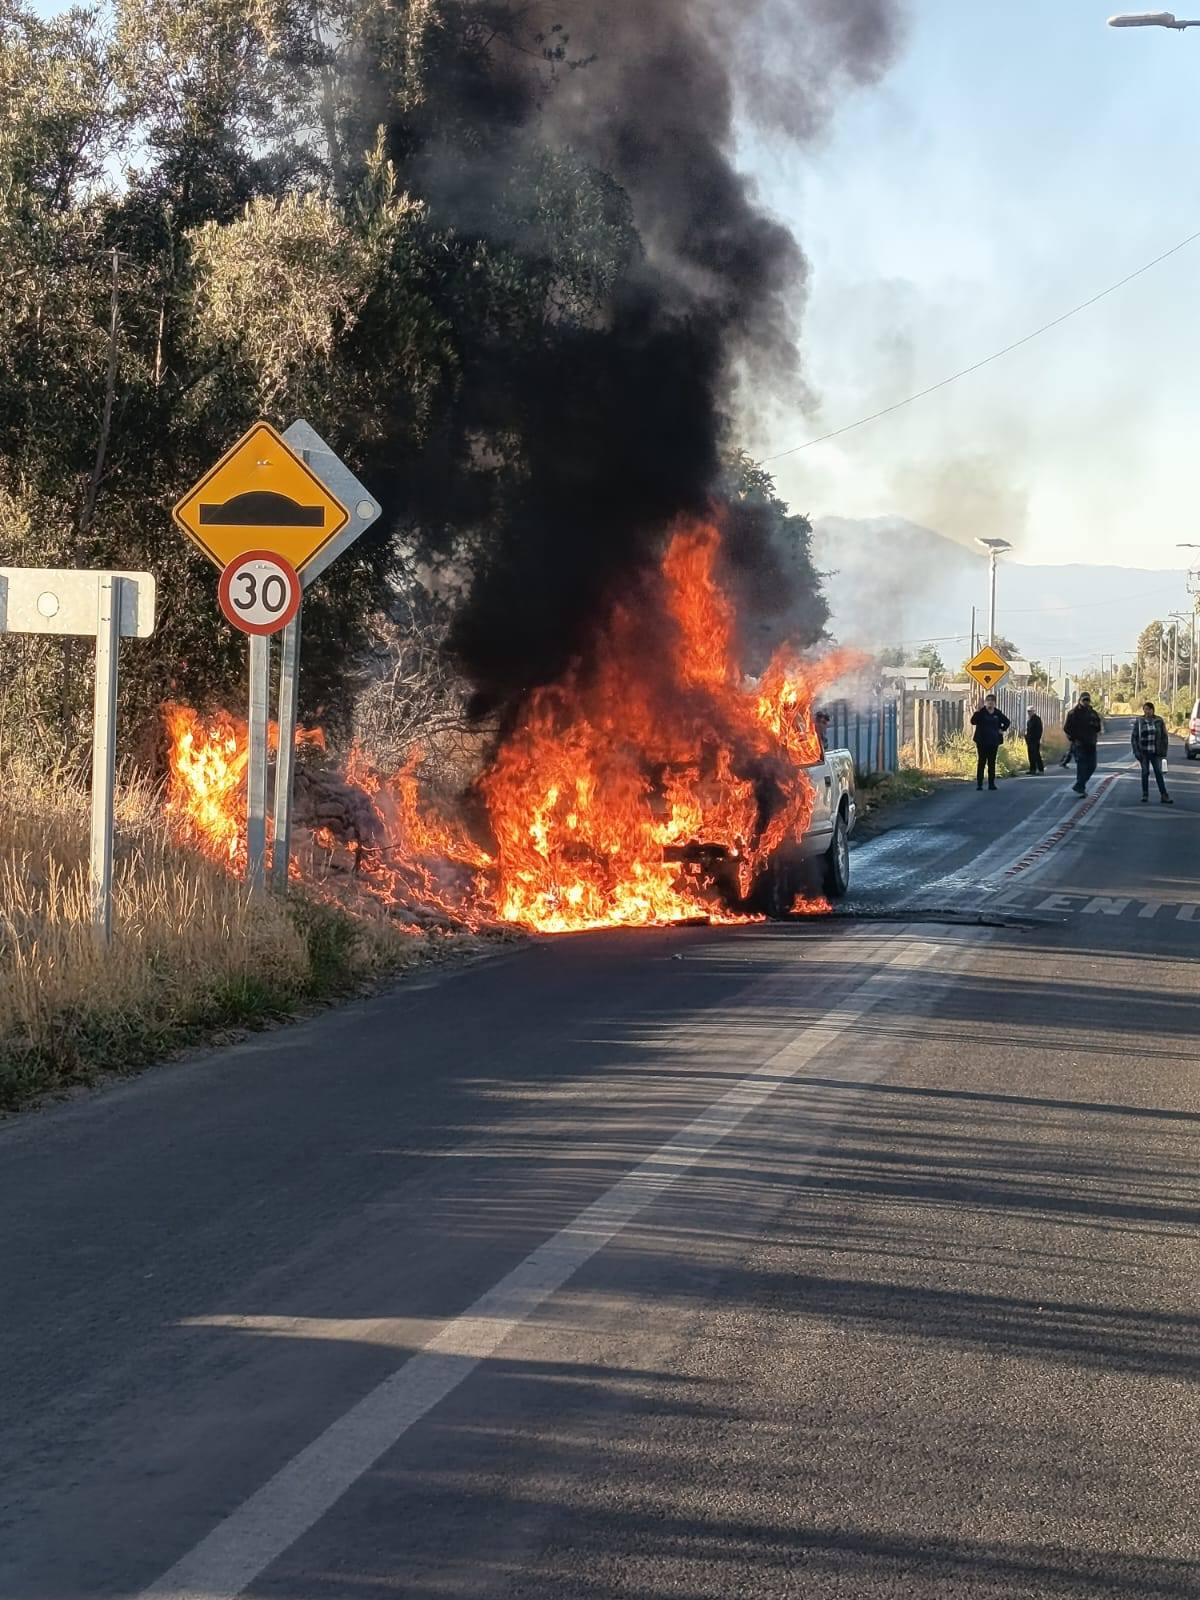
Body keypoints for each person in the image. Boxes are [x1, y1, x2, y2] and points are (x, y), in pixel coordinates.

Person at [1130, 700, 1173, 805]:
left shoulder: (1159, 720)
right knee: (1145, 773)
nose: (1147, 711)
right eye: (1145, 709)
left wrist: (1163, 751)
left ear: (1153, 710)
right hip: (1144, 752)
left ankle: (1164, 795)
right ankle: (1145, 794)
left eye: (1148, 709)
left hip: (1155, 752)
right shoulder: (1139, 721)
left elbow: (1164, 737)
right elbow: (1134, 737)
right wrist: (1136, 751)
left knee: (1158, 773)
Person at [1063, 691, 1102, 796]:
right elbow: (1067, 728)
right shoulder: (1073, 713)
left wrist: (1093, 725)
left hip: (1091, 743)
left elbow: (1098, 727)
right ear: (1080, 700)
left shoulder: (1093, 713)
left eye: (1087, 700)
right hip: (1079, 744)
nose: (1086, 702)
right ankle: (1081, 788)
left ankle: (1080, 785)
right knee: (1082, 767)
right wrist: (1074, 738)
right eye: (1084, 700)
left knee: (1092, 766)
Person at [970, 693, 1010, 790]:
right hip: (982, 741)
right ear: (985, 703)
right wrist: (978, 711)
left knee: (992, 762)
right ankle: (979, 784)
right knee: (981, 762)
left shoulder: (997, 713)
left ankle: (991, 784)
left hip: (993, 741)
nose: (990, 703)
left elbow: (1007, 722)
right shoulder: (981, 712)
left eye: (992, 701)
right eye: (988, 701)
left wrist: (1002, 729)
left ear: (995, 703)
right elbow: (973, 721)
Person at [1025, 709, 1044, 774]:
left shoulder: (1037, 719)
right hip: (1030, 740)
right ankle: (1032, 769)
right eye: (1028, 711)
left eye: (1030, 711)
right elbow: (1028, 730)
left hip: (1035, 740)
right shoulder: (1029, 720)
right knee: (1030, 755)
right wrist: (1026, 737)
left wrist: (1037, 739)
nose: (1029, 713)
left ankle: (1041, 769)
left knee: (1036, 755)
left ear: (1034, 711)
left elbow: (1040, 730)